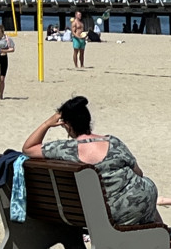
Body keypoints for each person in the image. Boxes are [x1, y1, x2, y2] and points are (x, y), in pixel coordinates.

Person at [22, 96, 161, 228]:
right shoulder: (113, 142)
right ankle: (169, 240)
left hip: (105, 211)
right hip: (137, 203)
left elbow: (28, 148)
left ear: (67, 125)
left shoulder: (63, 150)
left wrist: (47, 123)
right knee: (144, 188)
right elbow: (139, 173)